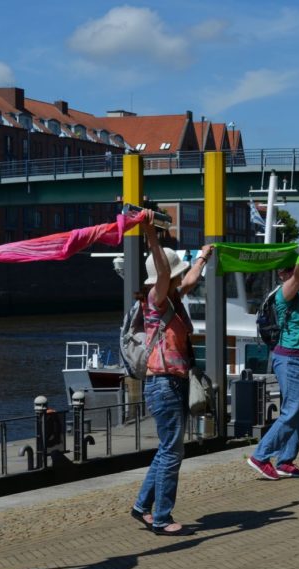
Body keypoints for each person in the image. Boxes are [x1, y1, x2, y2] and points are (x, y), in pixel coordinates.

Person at [131, 213, 213, 535]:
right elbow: (164, 271)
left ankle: (141, 507)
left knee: (169, 447)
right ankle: (162, 518)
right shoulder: (156, 299)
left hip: (173, 382)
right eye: (171, 276)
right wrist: (151, 233)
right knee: (172, 451)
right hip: (163, 382)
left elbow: (189, 279)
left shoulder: (175, 299)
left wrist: (204, 256)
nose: (178, 280)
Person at [247, 221, 299, 478]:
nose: (292, 272)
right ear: (283, 273)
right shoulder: (285, 292)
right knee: (293, 409)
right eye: (288, 270)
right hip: (291, 358)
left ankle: (285, 461)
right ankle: (261, 456)